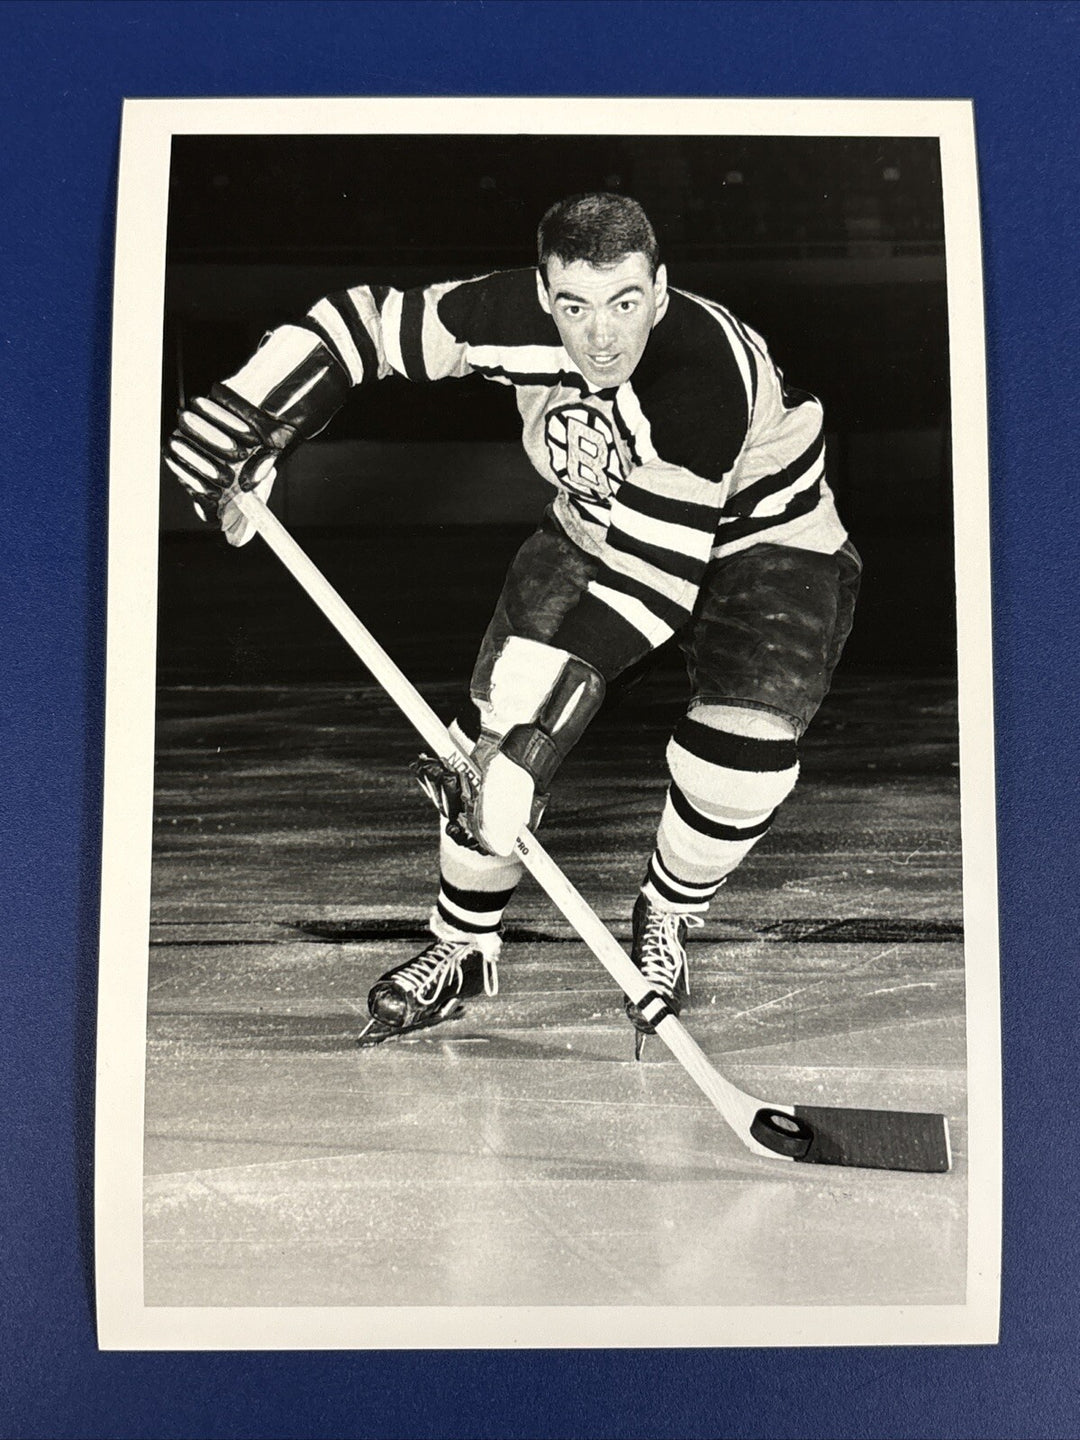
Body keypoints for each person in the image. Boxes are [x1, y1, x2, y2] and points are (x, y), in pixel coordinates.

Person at [165, 192, 860, 1056]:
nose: (601, 336)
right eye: (574, 306)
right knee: (481, 750)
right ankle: (462, 946)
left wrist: (541, 747)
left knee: (742, 763)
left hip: (768, 544)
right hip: (596, 526)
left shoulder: (697, 377)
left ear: (661, 288)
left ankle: (670, 912)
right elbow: (362, 327)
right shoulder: (503, 316)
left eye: (625, 303)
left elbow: (650, 588)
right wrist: (252, 415)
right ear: (543, 294)